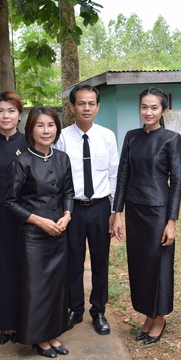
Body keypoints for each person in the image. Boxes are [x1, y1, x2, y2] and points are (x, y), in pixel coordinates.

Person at [113, 87, 181, 345]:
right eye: (144, 107)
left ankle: (159, 318)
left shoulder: (171, 138)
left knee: (159, 267)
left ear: (163, 110)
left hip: (158, 212)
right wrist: (117, 213)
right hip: (135, 211)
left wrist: (171, 221)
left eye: (154, 107)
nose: (148, 112)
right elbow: (123, 176)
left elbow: (176, 182)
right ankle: (148, 314)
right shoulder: (131, 137)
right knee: (140, 266)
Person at [5, 106, 74, 358]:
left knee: (57, 288)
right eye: (40, 125)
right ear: (30, 130)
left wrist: (67, 215)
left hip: (59, 233)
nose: (46, 130)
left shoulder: (62, 158)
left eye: (51, 125)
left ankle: (53, 334)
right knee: (37, 288)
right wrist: (39, 221)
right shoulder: (22, 161)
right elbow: (9, 202)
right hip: (33, 236)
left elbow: (68, 192)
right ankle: (39, 339)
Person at [55, 83, 120, 335]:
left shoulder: (107, 136)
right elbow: (57, 176)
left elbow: (114, 175)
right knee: (73, 260)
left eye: (91, 103)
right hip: (72, 208)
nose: (86, 108)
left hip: (100, 207)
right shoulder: (61, 137)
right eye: (81, 103)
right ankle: (75, 308)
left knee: (100, 260)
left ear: (98, 107)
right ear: (72, 107)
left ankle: (98, 310)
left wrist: (115, 212)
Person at [0, 92, 27, 344]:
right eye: (0, 111)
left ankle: (25, 320)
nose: (6, 116)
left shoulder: (30, 141)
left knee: (24, 267)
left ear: (19, 115)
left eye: (11, 111)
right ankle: (3, 324)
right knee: (0, 268)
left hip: (25, 215)